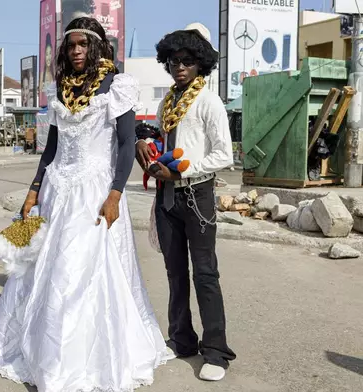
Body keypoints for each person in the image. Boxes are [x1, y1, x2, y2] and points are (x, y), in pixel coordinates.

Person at [0, 17, 168, 392]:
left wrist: (115, 193)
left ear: (96, 46)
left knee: (77, 271)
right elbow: (51, 147)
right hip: (56, 190)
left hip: (95, 193)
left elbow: (126, 144)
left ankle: (73, 363)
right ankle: (43, 354)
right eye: (71, 46)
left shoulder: (117, 85)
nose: (77, 51)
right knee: (42, 271)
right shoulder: (60, 89)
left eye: (83, 45)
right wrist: (34, 189)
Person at [135, 23, 237, 381]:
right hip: (167, 196)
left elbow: (224, 154)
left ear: (201, 64)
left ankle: (216, 352)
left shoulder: (209, 101)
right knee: (175, 273)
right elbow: (165, 144)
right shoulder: (167, 102)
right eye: (174, 60)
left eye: (188, 60)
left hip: (197, 194)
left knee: (205, 274)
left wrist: (183, 171)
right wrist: (147, 147)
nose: (180, 66)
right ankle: (181, 339)